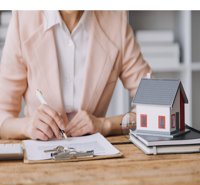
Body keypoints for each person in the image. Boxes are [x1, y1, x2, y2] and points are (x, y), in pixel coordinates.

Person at [0, 11, 151, 140]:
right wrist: (27, 126)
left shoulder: (116, 22)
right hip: (39, 158)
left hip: (96, 160)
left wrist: (105, 125)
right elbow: (2, 115)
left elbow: (155, 108)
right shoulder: (23, 19)